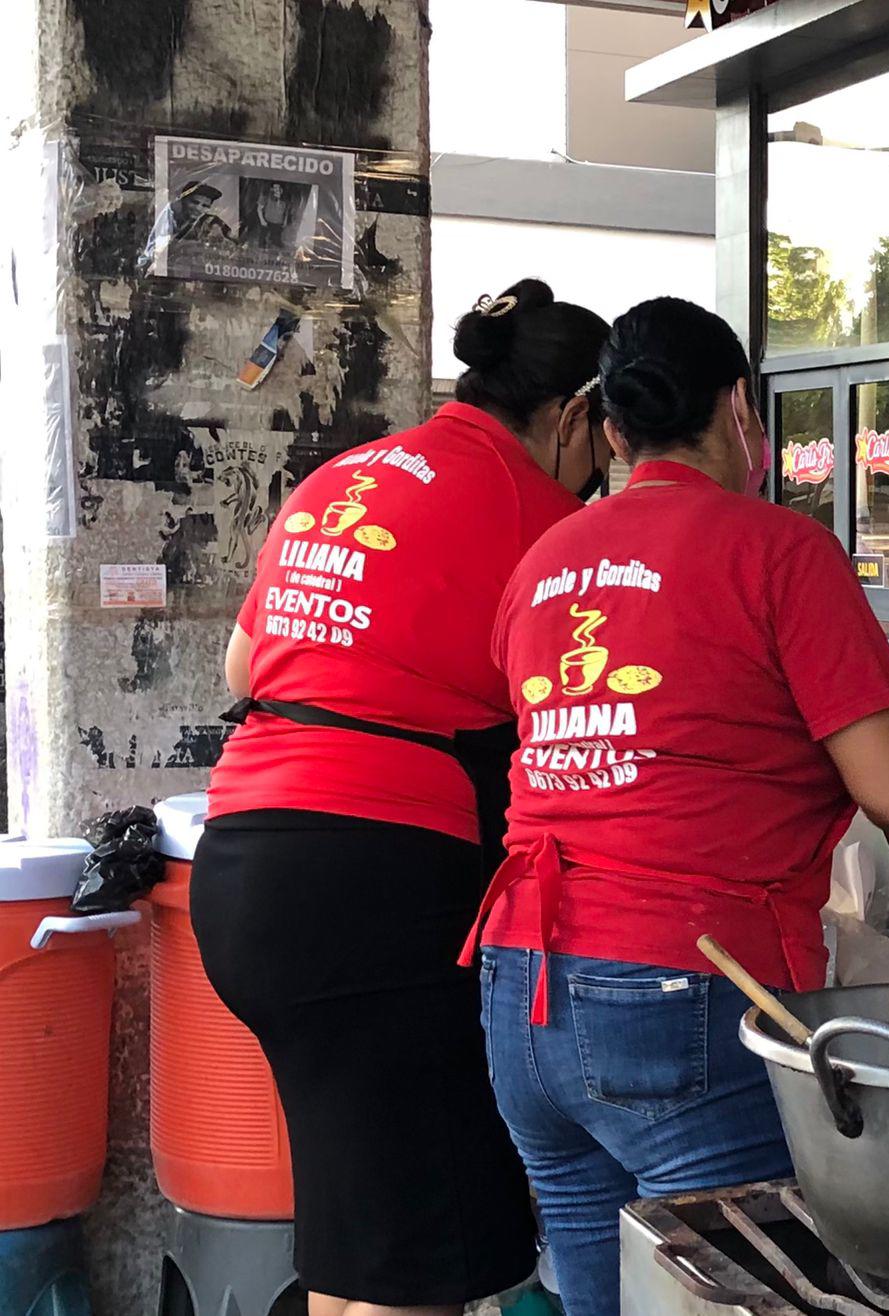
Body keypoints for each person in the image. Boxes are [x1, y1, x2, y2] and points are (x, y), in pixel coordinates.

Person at [461, 297, 889, 1316]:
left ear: (610, 427)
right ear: (740, 407)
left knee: (601, 1288)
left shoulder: (542, 562)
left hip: (522, 988)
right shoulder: (777, 548)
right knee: (738, 1287)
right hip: (683, 983)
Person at [191, 278, 612, 1316]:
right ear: (575, 413)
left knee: (363, 1245)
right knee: (422, 1260)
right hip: (373, 885)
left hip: (247, 868)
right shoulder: (534, 508)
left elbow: (242, 667)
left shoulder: (351, 471)